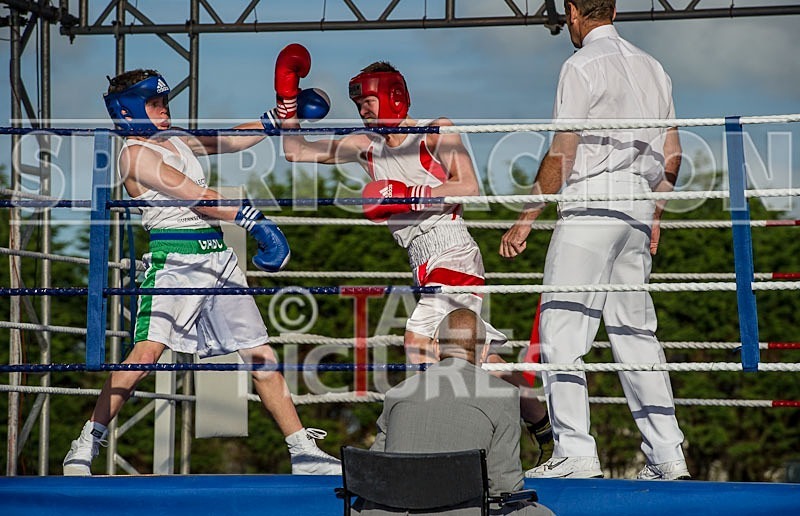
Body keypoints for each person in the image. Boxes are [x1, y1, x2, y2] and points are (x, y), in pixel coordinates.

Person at [271, 43, 553, 458]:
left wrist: (408, 194)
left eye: (367, 100)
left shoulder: (436, 130)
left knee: (418, 340)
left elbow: (469, 187)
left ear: (392, 94)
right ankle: (541, 419)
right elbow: (296, 152)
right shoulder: (365, 144)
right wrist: (287, 103)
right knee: (476, 358)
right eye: (359, 103)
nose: (363, 110)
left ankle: (426, 440)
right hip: (420, 259)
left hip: (452, 248)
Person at [62, 68, 340, 476]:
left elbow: (229, 139)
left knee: (258, 352)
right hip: (174, 261)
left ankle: (303, 452)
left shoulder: (175, 139)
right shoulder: (134, 155)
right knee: (146, 354)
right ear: (129, 111)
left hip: (217, 255)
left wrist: (278, 116)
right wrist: (256, 222)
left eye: (164, 102)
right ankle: (85, 442)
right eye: (154, 104)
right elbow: (196, 196)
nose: (163, 110)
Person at [500, 0, 689, 480]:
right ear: (615, 9)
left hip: (591, 203)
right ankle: (668, 454)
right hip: (639, 206)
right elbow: (673, 154)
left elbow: (564, 150)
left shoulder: (580, 65)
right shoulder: (655, 67)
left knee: (562, 330)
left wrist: (527, 215)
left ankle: (576, 453)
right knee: (636, 333)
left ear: (572, 10)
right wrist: (657, 213)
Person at [352, 308, 554, 515]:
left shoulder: (397, 393)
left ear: (435, 347)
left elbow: (374, 472)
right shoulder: (504, 395)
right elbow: (504, 485)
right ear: (484, 351)